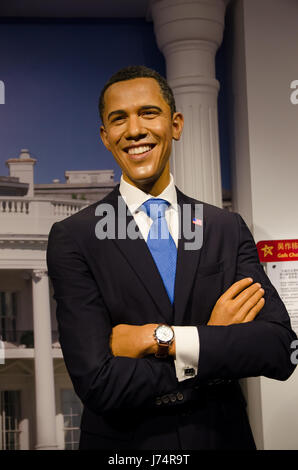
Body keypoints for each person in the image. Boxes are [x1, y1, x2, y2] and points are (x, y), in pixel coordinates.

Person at [47, 65, 296, 450]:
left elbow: (280, 349)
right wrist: (214, 341)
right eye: (119, 119)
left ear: (176, 124)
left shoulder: (224, 227)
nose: (134, 130)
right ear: (105, 138)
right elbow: (99, 384)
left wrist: (160, 339)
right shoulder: (74, 239)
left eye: (148, 113)